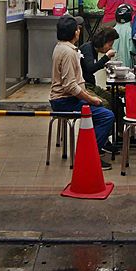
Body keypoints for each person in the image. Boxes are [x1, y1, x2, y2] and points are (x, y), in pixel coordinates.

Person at [49, 15, 115, 169]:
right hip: (65, 101)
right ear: (74, 33)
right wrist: (91, 99)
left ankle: (93, 149)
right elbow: (71, 87)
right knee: (106, 115)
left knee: (103, 108)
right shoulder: (69, 52)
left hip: (65, 98)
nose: (79, 31)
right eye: (77, 29)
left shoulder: (61, 47)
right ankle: (91, 156)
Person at [80, 26, 119, 104]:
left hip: (91, 85)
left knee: (115, 100)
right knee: (105, 104)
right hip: (85, 87)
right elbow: (90, 68)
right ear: (102, 42)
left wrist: (104, 65)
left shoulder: (94, 50)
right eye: (110, 45)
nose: (110, 47)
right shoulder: (87, 48)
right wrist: (106, 57)